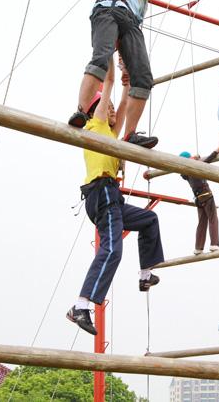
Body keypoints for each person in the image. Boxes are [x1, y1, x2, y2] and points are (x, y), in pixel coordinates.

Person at [67, 57, 164, 336]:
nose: (111, 111)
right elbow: (107, 85)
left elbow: (123, 105)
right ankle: (81, 305)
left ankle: (145, 276)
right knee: (112, 250)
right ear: (94, 111)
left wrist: (127, 80)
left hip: (113, 197)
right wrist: (109, 51)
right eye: (105, 108)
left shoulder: (110, 132)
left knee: (149, 219)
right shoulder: (94, 127)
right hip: (101, 193)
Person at [68, 0, 178, 150]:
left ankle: (130, 134)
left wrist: (127, 61)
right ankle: (81, 112)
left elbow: (130, 36)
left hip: (131, 24)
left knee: (144, 78)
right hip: (109, 10)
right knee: (101, 58)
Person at [179, 150, 219, 255]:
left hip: (199, 199)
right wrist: (216, 152)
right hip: (206, 195)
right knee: (213, 219)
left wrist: (195, 157)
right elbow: (207, 161)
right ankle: (214, 244)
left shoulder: (184, 173)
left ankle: (198, 248)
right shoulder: (194, 167)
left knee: (202, 223)